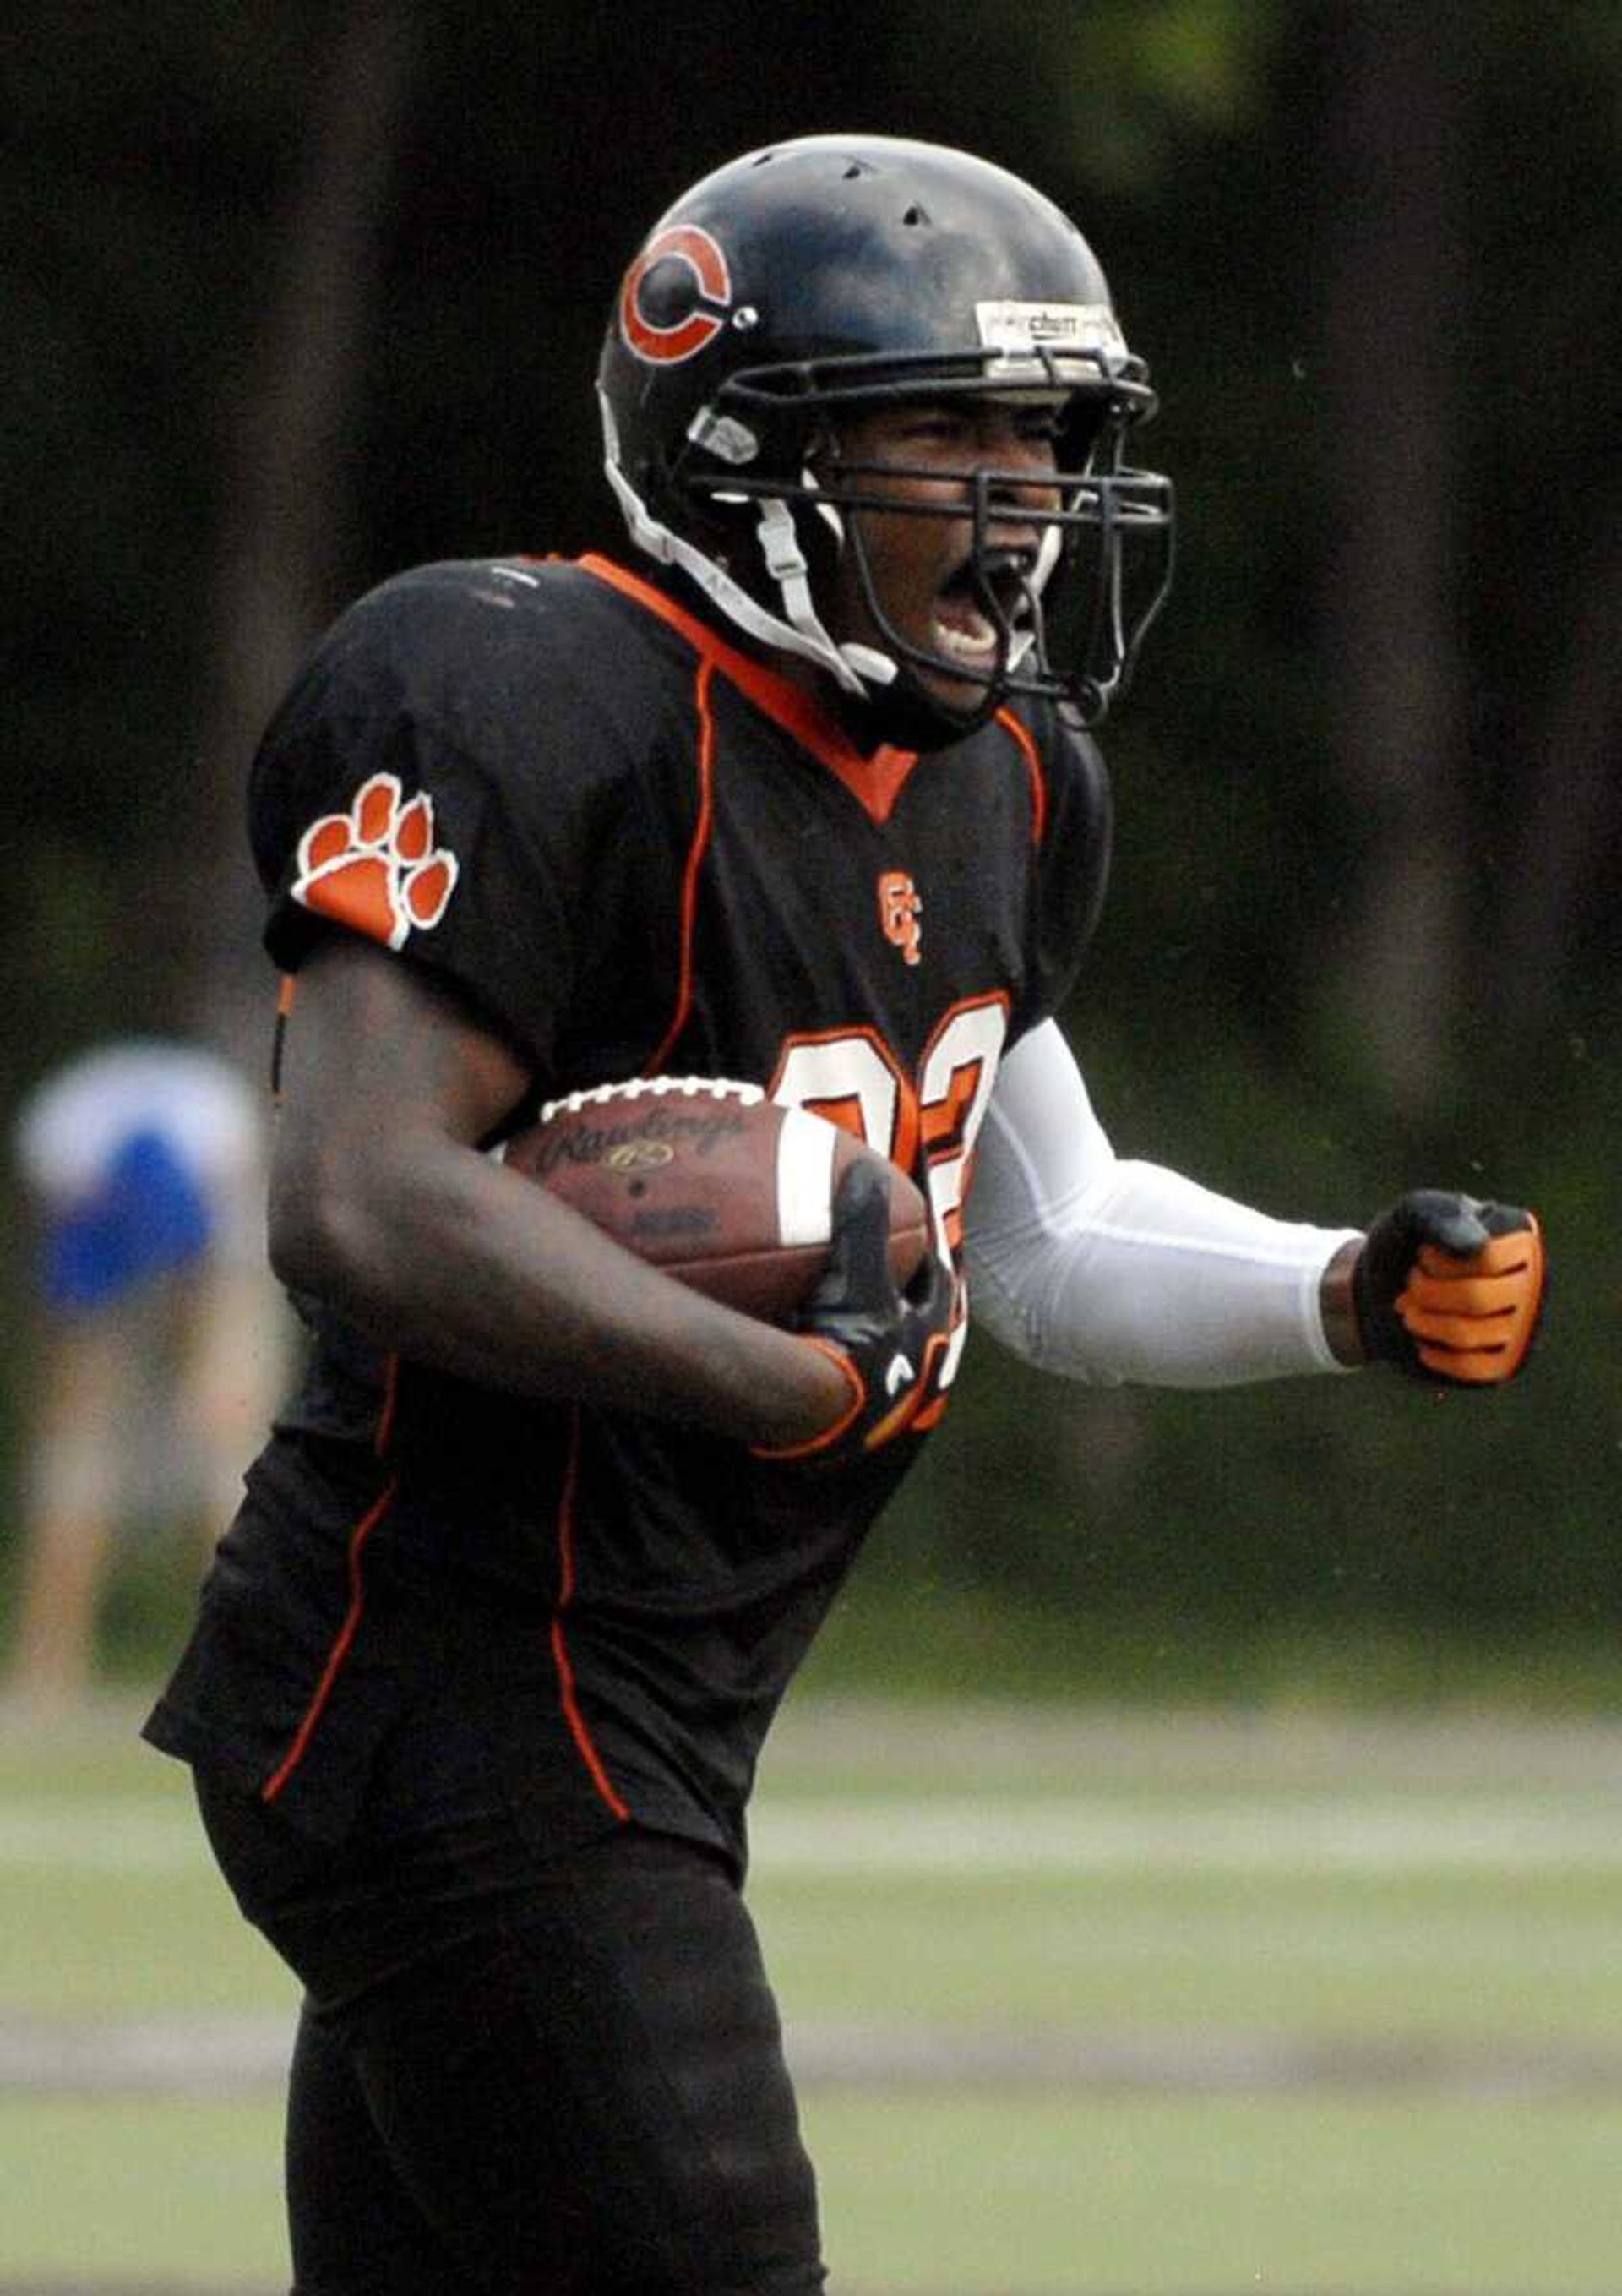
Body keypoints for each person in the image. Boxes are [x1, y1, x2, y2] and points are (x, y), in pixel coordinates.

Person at [143, 135, 1545, 2295]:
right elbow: (355, 1194)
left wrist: (1339, 1292)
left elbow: (1038, 1226)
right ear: (745, 459)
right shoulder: (529, 692)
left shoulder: (1004, 780)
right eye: (946, 428)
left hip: (644, 1714)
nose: (1016, 492)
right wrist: (770, 1374)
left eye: (1043, 434)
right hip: (454, 1700)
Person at [8, 1038, 283, 1717]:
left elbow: (227, 1282)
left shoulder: (219, 1143)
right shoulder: (63, 1142)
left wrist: (212, 1375)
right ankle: (48, 1667)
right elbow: (75, 1290)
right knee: (75, 1452)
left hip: (217, 1258)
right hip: (103, 1242)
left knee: (230, 1443)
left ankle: (243, 1664)